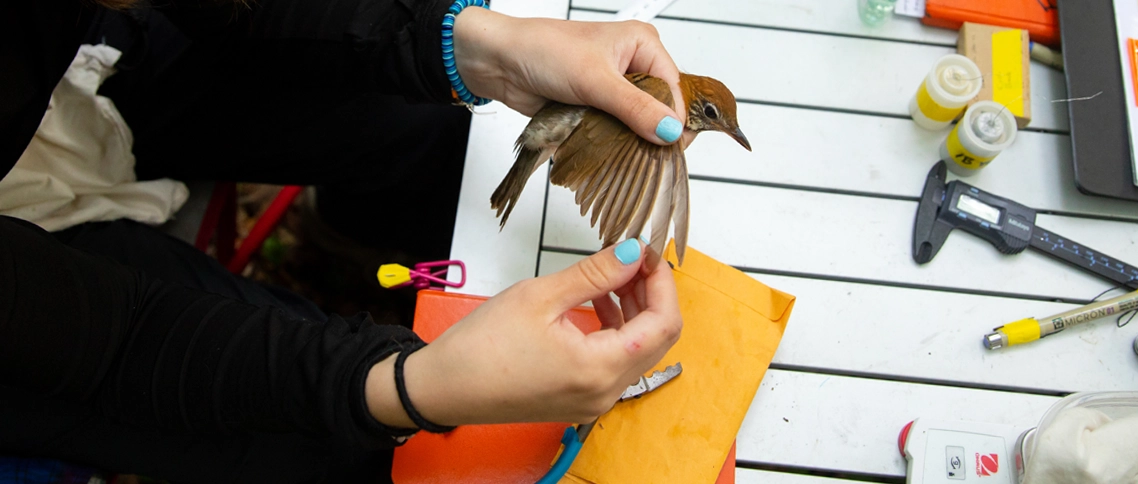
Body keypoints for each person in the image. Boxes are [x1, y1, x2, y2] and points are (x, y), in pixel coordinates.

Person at [0, 0, 687, 481]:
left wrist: (476, 43)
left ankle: (348, 249)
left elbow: (235, 8)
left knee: (431, 129)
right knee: (362, 450)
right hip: (35, 324)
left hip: (83, 68)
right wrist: (404, 388)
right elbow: (117, 341)